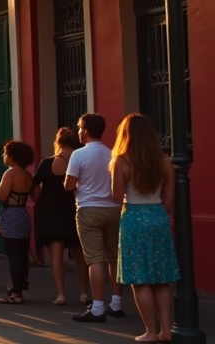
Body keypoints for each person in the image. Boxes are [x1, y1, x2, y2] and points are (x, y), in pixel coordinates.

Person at [109, 113, 179, 343]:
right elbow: (169, 200)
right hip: (158, 216)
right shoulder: (164, 160)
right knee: (161, 277)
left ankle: (150, 331)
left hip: (133, 217)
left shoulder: (123, 161)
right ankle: (166, 330)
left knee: (139, 279)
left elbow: (117, 196)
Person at [67, 113, 124, 322]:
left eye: (80, 127)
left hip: (89, 209)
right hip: (114, 208)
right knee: (114, 257)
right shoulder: (112, 154)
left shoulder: (79, 155)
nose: (78, 131)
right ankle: (116, 303)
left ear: (86, 130)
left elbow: (69, 184)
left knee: (95, 259)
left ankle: (98, 307)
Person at [33, 127, 90, 305]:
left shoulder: (47, 163)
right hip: (73, 209)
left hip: (50, 210)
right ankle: (83, 292)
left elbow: (33, 188)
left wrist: (39, 199)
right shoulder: (80, 161)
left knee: (56, 252)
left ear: (58, 143)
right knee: (80, 252)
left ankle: (60, 294)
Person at [0, 140, 35, 304]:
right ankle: (20, 285)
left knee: (13, 256)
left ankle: (16, 292)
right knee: (22, 254)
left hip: (11, 215)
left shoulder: (10, 173)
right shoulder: (27, 175)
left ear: (12, 156)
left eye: (5, 152)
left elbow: (2, 195)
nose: (3, 155)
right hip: (23, 214)